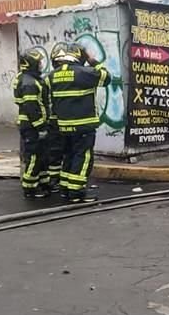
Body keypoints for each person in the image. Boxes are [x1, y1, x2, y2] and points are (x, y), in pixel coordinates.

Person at [48, 43, 110, 203]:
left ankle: (65, 189)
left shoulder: (52, 75)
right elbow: (106, 77)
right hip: (83, 126)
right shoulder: (84, 72)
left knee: (69, 155)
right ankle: (76, 192)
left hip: (63, 126)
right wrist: (92, 60)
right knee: (82, 157)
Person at [13, 48, 50, 199]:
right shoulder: (29, 83)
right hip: (32, 126)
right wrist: (40, 126)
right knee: (34, 156)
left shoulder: (28, 78)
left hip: (31, 124)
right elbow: (32, 107)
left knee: (41, 156)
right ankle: (29, 188)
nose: (41, 65)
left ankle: (43, 183)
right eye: (39, 62)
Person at [45, 42, 68, 192]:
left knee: (55, 151)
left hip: (54, 120)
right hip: (66, 120)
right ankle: (59, 180)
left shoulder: (50, 77)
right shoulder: (74, 76)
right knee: (63, 151)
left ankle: (55, 180)